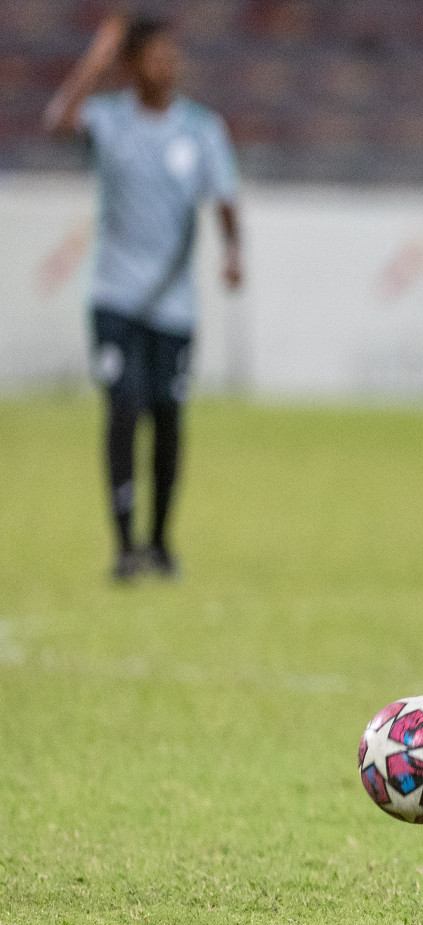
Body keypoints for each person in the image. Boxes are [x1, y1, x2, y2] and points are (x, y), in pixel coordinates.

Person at [45, 13, 243, 582]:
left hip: (175, 306)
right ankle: (124, 545)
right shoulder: (109, 120)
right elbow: (58, 123)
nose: (168, 64)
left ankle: (160, 542)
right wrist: (97, 56)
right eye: (155, 55)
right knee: (124, 409)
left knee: (169, 418)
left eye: (171, 54)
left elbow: (224, 197)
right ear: (132, 66)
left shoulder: (202, 128)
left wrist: (232, 252)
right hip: (116, 297)